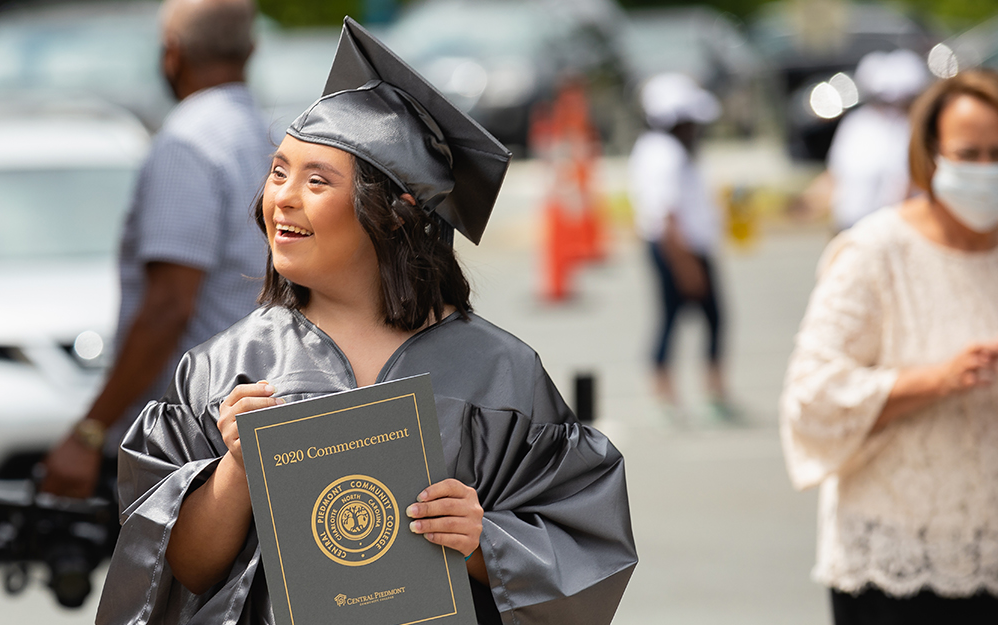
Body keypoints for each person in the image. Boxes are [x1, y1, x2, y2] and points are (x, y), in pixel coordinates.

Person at [97, 18, 637, 624]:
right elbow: (181, 572)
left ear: (396, 212)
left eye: (316, 179)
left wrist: (483, 538)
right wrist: (237, 470)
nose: (283, 197)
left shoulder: (497, 373)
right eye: (278, 172)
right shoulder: (227, 368)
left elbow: (584, 555)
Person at [780, 69, 998, 624]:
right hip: (894, 565)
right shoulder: (874, 254)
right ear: (930, 154)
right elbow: (812, 398)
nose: (985, 169)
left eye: (997, 153)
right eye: (968, 152)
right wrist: (939, 379)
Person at [40, 0, 272, 499]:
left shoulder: (186, 144)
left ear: (172, 54)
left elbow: (168, 306)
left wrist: (89, 432)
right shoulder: (268, 134)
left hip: (190, 435)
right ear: (249, 51)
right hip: (251, 412)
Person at [629, 72, 732, 422]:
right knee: (684, 319)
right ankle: (672, 397)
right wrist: (687, 265)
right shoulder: (665, 154)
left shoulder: (662, 149)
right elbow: (668, 216)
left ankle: (704, 393)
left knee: (702, 320)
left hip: (684, 246)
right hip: (678, 249)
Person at [826, 49, 929, 231]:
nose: (891, 107)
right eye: (882, 99)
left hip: (896, 227)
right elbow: (836, 176)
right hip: (849, 226)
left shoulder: (916, 127)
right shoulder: (857, 123)